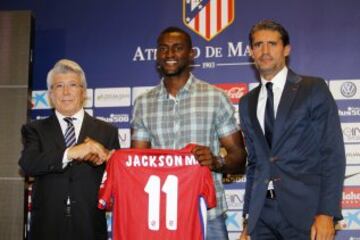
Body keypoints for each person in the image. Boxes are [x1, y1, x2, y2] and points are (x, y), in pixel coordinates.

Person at [131, 26, 247, 239]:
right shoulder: (143, 103)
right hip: (160, 215)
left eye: (177, 48)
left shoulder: (215, 97)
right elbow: (137, 163)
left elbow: (239, 157)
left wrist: (215, 161)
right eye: (163, 49)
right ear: (156, 55)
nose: (169, 54)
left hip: (207, 214)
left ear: (191, 54)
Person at [239, 20, 345, 240]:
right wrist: (249, 218)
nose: (265, 51)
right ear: (251, 52)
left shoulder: (312, 88)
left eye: (272, 44)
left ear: (286, 49)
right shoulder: (246, 102)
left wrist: (327, 212)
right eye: (258, 45)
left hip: (306, 214)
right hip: (262, 215)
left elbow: (332, 153)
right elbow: (255, 164)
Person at [19, 59, 120, 240]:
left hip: (90, 227)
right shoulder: (35, 129)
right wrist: (71, 152)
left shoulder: (107, 131)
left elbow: (117, 183)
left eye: (73, 85)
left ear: (83, 92)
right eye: (59, 86)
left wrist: (114, 162)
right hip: (46, 228)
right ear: (50, 94)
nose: (66, 92)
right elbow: (28, 164)